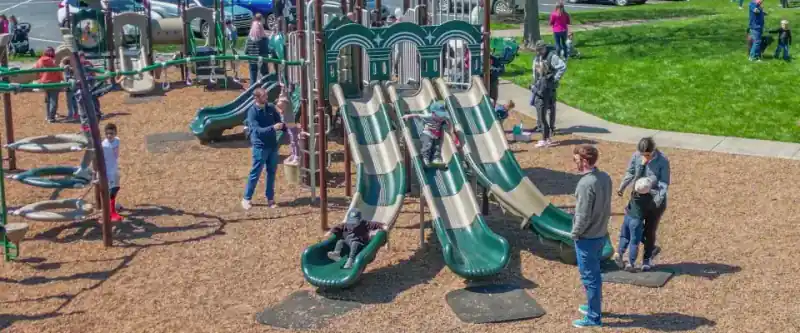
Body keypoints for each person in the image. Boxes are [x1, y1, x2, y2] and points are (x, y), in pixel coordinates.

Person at [570, 144, 612, 328]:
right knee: (594, 275)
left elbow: (583, 215)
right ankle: (591, 306)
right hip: (601, 233)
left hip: (588, 237)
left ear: (585, 161)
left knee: (590, 278)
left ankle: (594, 317)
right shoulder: (605, 177)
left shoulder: (585, 184)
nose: (574, 163)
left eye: (576, 160)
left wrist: (575, 233)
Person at [616, 137, 670, 271]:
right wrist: (622, 187)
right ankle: (634, 255)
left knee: (650, 230)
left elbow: (664, 183)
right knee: (634, 227)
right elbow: (631, 172)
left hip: (654, 201)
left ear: (653, 150)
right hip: (638, 200)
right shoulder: (636, 156)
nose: (645, 157)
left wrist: (658, 199)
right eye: (642, 154)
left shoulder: (662, 160)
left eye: (647, 154)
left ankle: (647, 259)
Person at [242, 88, 284, 210]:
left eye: (266, 96)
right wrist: (273, 128)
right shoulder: (252, 112)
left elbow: (279, 123)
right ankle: (246, 199)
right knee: (255, 173)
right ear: (257, 98)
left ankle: (270, 199)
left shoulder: (270, 107)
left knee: (271, 173)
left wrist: (291, 129)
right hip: (260, 147)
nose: (266, 98)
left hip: (272, 146)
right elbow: (257, 131)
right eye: (264, 96)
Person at [530, 40, 566, 148]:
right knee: (542, 109)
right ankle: (544, 130)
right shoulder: (538, 57)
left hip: (548, 87)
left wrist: (554, 79)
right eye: (537, 50)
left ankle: (549, 130)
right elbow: (535, 70)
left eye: (540, 49)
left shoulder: (552, 56)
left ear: (544, 47)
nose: (539, 52)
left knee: (550, 107)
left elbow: (562, 67)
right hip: (541, 84)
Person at [615, 177, 654, 272]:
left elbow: (637, 177)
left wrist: (642, 165)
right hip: (636, 221)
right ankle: (630, 263)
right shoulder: (649, 198)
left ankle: (619, 253)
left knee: (624, 237)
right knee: (634, 242)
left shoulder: (634, 193)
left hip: (627, 217)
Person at [402, 101, 452, 168]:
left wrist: (449, 126)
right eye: (439, 116)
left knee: (437, 147)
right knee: (428, 145)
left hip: (436, 135)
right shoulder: (428, 116)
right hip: (427, 134)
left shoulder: (443, 118)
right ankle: (425, 158)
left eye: (442, 116)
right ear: (433, 113)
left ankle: (435, 159)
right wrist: (408, 116)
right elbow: (417, 115)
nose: (441, 118)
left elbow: (448, 120)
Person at [33, 47, 63, 123]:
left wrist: (40, 79)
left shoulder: (39, 61)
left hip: (44, 82)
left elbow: (36, 71)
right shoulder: (53, 61)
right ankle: (51, 118)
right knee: (53, 100)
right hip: (54, 82)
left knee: (48, 100)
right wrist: (62, 79)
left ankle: (48, 116)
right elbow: (58, 71)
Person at [103, 123, 124, 222]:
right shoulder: (104, 145)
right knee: (112, 190)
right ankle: (111, 212)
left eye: (111, 133)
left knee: (116, 188)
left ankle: (113, 206)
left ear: (115, 133)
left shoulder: (117, 140)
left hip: (114, 168)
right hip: (106, 171)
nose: (109, 136)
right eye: (107, 134)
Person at [276, 85, 300, 165]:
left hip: (290, 122)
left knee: (294, 140)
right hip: (288, 122)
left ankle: (297, 156)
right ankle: (294, 154)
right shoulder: (284, 97)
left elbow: (281, 105)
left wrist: (278, 108)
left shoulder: (285, 99)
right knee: (292, 140)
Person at [245, 14, 269, 86]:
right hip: (262, 57)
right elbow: (267, 47)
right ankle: (266, 87)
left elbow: (246, 48)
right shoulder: (263, 37)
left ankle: (252, 90)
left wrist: (247, 51)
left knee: (253, 73)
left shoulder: (250, 36)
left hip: (252, 57)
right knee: (265, 73)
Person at [60, 58, 79, 122]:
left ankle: (70, 115)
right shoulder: (71, 67)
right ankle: (76, 114)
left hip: (69, 87)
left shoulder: (66, 67)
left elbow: (66, 77)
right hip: (73, 86)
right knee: (74, 101)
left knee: (69, 102)